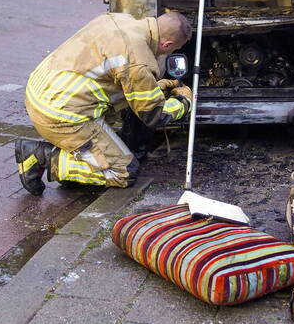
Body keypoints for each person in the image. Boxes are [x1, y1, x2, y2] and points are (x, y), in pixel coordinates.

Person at [15, 11, 193, 195]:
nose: (170, 53)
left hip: (39, 92)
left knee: (109, 139)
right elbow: (154, 115)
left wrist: (154, 87)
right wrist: (184, 101)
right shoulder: (138, 61)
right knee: (124, 172)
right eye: (173, 50)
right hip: (60, 114)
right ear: (166, 44)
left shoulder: (119, 19)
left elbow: (122, 79)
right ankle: (43, 157)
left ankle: (77, 161)